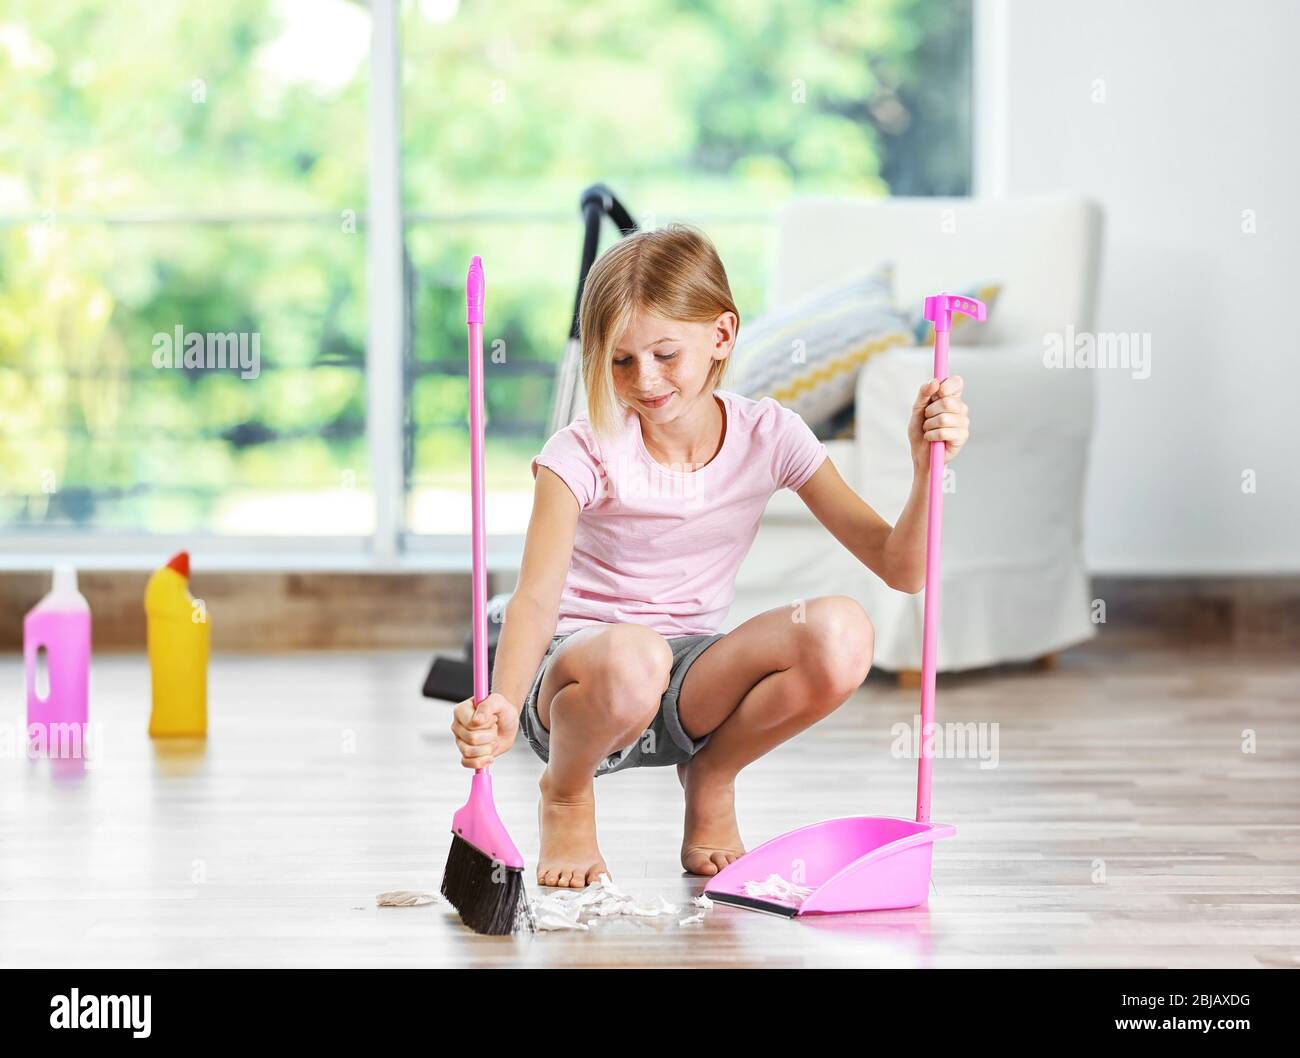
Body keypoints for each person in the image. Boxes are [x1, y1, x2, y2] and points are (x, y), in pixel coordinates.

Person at [451, 223, 970, 888]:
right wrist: (499, 702)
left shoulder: (769, 434)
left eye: (666, 354)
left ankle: (713, 777)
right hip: (579, 677)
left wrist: (928, 468)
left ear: (721, 337)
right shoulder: (580, 453)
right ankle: (568, 793)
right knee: (636, 654)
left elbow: (902, 568)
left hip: (689, 677)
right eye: (621, 361)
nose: (644, 380)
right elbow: (535, 598)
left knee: (840, 633)